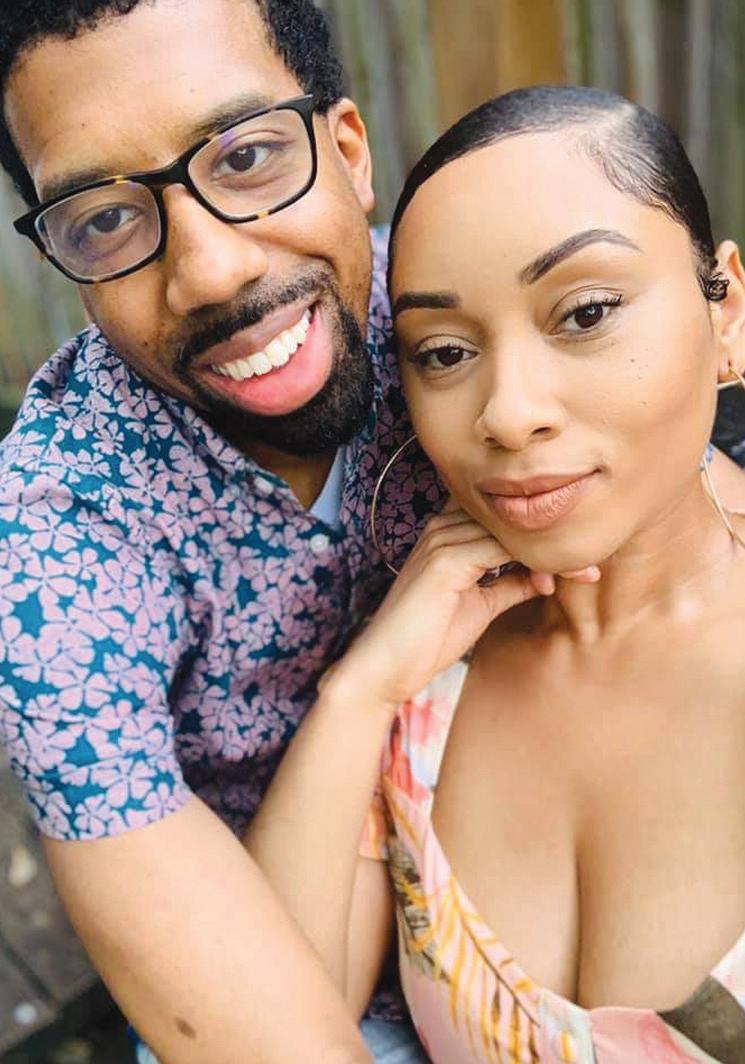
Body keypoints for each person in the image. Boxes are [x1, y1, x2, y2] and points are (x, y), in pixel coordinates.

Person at [244, 86, 745, 1063]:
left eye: (585, 312)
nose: (507, 413)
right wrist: (360, 692)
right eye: (443, 352)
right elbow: (259, 1035)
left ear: (724, 309)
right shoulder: (419, 695)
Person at [0, 1, 438, 1060]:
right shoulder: (55, 543)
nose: (211, 270)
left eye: (245, 157)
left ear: (347, 151)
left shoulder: (471, 316)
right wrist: (367, 683)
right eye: (105, 220)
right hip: (265, 952)